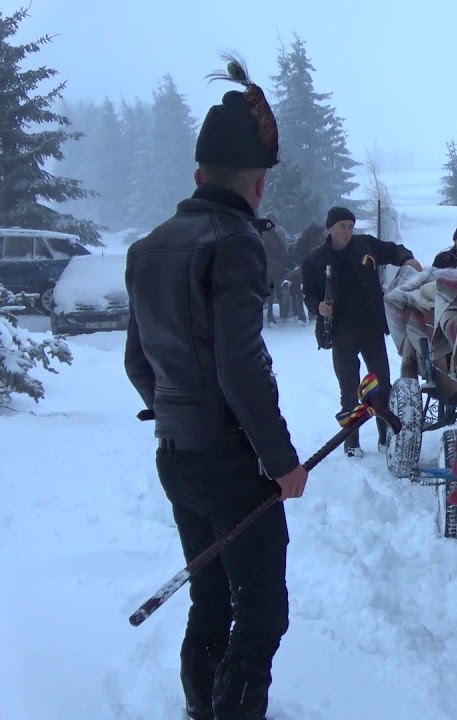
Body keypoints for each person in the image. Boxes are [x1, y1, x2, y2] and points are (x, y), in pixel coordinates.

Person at [123, 55, 306, 720]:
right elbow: (241, 362)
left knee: (210, 598)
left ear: (199, 176)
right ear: (259, 186)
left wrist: (174, 412)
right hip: (232, 462)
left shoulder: (147, 248)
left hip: (176, 454)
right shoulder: (236, 242)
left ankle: (202, 710)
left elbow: (137, 361)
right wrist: (281, 462)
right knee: (260, 614)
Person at [300, 206, 422, 457]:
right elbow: (309, 293)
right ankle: (351, 442)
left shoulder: (365, 245)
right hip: (341, 332)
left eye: (350, 226)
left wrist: (407, 258)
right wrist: (318, 306)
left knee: (382, 386)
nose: (347, 231)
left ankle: (385, 437)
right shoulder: (315, 259)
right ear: (330, 228)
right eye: (342, 226)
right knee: (349, 390)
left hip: (371, 328)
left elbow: (392, 250)